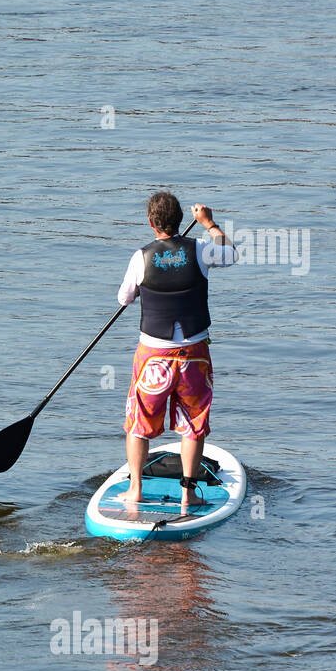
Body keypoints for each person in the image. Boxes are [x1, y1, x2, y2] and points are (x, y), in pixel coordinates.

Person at [115, 191, 236, 510]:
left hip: (153, 355)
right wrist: (210, 224)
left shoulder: (140, 257)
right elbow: (231, 255)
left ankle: (136, 489)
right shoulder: (201, 250)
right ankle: (189, 492)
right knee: (194, 421)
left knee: (138, 421)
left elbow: (124, 298)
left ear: (151, 223)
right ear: (182, 220)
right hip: (194, 354)